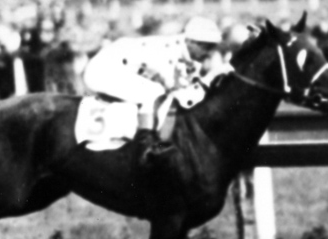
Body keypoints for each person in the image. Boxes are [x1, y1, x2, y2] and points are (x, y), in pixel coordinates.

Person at [81, 16, 222, 172]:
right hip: (103, 68)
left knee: (156, 92)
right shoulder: (168, 51)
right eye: (207, 47)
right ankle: (146, 143)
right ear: (191, 41)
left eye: (211, 47)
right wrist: (212, 76)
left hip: (121, 66)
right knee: (155, 92)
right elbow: (181, 96)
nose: (209, 53)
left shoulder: (188, 54)